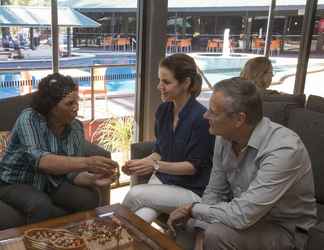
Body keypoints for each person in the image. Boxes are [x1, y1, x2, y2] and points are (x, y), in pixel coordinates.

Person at [167, 78, 317, 250]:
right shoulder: (223, 136)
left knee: (216, 234)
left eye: (213, 112)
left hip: (284, 227)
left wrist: (194, 209)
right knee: (187, 224)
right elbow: (216, 191)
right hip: (246, 215)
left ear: (239, 119)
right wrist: (200, 231)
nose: (205, 115)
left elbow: (243, 215)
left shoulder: (284, 149)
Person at [0, 73, 118, 229]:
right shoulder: (29, 119)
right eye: (69, 103)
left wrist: (93, 179)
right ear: (51, 106)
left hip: (51, 181)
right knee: (40, 204)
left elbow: (72, 173)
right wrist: (88, 163)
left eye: (77, 102)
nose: (76, 108)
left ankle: (77, 240)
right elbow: (41, 160)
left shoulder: (75, 127)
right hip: (14, 182)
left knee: (89, 197)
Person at [122, 53, 215, 223]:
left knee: (135, 194)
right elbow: (159, 152)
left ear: (186, 83)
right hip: (164, 180)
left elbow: (191, 168)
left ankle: (112, 233)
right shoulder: (163, 111)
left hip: (191, 189)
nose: (159, 86)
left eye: (166, 82)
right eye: (160, 80)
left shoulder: (201, 119)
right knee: (141, 216)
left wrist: (155, 165)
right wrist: (140, 164)